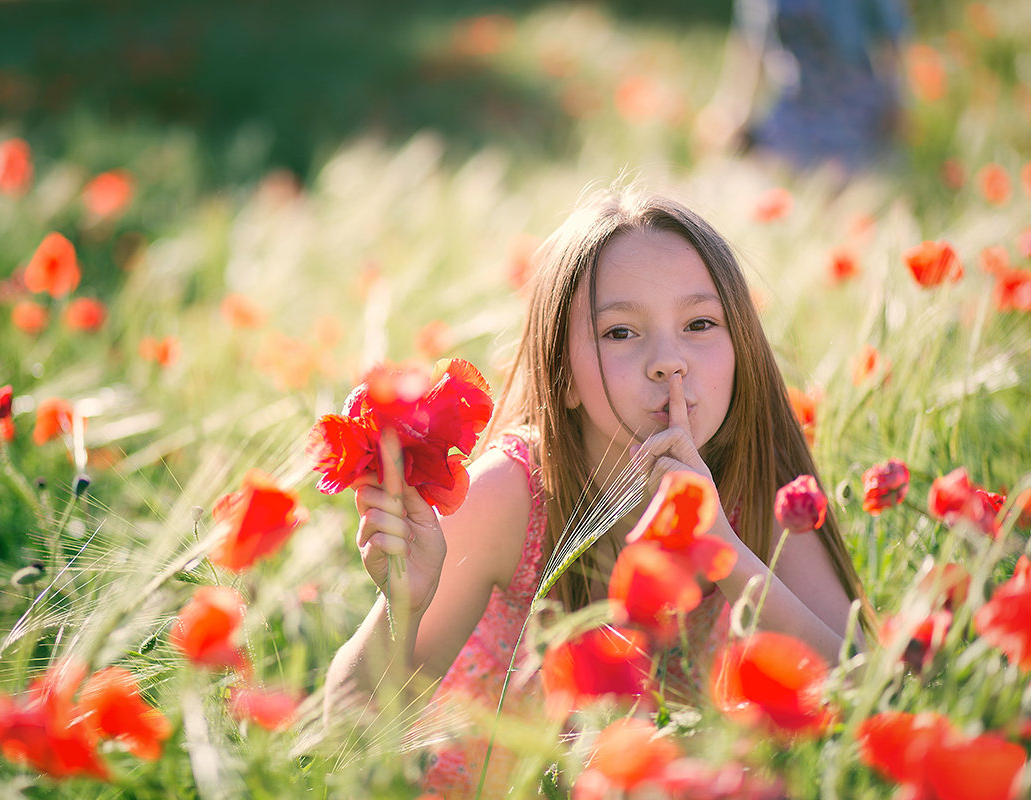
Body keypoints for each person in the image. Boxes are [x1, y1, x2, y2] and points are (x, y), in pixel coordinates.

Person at [323, 187, 870, 798]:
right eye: (619, 333)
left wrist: (721, 545)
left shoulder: (753, 489)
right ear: (564, 379)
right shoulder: (513, 495)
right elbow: (345, 726)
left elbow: (867, 687)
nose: (669, 362)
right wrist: (402, 605)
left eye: (699, 324)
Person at [694, 0, 908, 172]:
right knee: (749, 171)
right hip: (796, 102)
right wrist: (734, 109)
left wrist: (895, 99)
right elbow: (752, 43)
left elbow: (891, 38)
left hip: (852, 105)